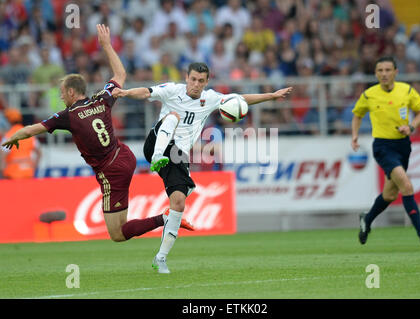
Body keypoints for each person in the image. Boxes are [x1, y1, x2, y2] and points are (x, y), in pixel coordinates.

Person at [1, 24, 193, 243]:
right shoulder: (102, 98)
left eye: (63, 93)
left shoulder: (68, 115)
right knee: (121, 226)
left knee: (117, 234)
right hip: (125, 155)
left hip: (111, 170)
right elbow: (120, 73)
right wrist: (107, 45)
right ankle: (165, 218)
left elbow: (31, 129)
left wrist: (14, 137)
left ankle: (166, 218)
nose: (61, 97)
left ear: (72, 92)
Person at [112, 62, 292, 273]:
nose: (195, 84)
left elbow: (240, 100)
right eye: (193, 79)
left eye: (200, 81)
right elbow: (145, 92)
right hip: (155, 143)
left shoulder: (211, 98)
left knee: (178, 204)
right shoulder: (172, 90)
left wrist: (271, 96)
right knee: (173, 117)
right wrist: (125, 92)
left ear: (206, 82)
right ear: (186, 77)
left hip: (177, 155)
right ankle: (157, 157)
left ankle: (161, 258)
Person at [351, 56, 420, 246]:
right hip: (383, 147)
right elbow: (357, 114)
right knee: (406, 186)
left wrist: (411, 127)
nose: (384, 74)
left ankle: (367, 219)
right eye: (380, 70)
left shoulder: (406, 90)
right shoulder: (369, 94)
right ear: (375, 73)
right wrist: (355, 135)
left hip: (403, 145)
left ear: (396, 72)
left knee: (390, 195)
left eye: (388, 70)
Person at [0, 108, 41, 179]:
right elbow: (39, 153)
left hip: (11, 175)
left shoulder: (8, 136)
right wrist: (34, 167)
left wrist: (2, 173)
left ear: (9, 121)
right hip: (28, 172)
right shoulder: (29, 134)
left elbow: (2, 157)